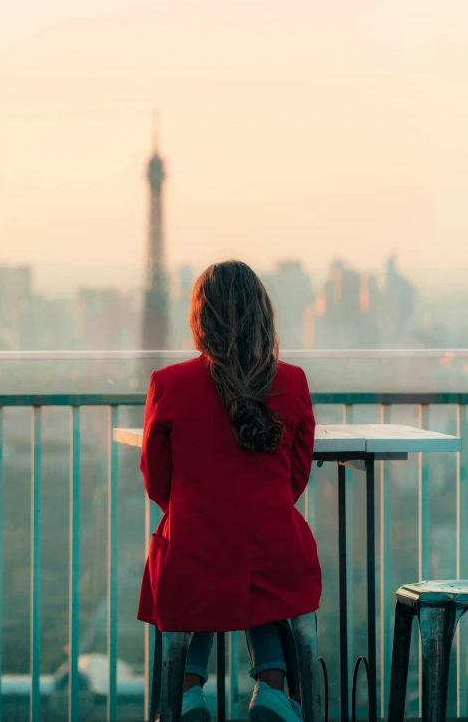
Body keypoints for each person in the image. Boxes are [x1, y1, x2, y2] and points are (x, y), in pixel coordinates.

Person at [138, 260, 321, 722]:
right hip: (276, 553)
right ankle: (273, 690)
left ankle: (186, 695)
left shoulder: (168, 385)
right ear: (263, 312)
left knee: (198, 562)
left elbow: (157, 480)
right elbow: (296, 477)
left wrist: (203, 511)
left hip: (196, 554)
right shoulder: (293, 382)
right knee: (254, 561)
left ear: (201, 320)